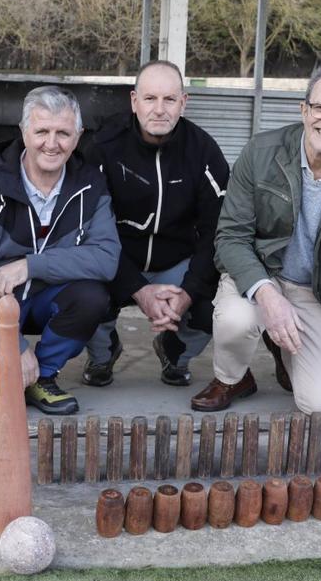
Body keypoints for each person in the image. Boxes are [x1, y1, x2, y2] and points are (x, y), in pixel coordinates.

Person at [191, 61, 321, 416]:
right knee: (237, 320)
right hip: (261, 274)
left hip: (316, 293)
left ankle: (283, 345)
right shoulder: (261, 153)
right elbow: (231, 237)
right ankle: (232, 377)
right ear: (304, 110)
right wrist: (267, 294)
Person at [0, 85, 120, 416]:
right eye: (42, 131)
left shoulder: (90, 184)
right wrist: (15, 347)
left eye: (63, 133)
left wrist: (31, 265)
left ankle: (44, 372)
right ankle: (19, 367)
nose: (52, 144)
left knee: (92, 296)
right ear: (24, 131)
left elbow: (106, 258)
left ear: (79, 135)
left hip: (47, 298)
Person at [82, 60, 229, 388]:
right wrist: (139, 289)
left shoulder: (204, 152)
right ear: (134, 101)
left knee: (216, 304)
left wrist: (188, 293)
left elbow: (215, 235)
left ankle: (174, 352)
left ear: (183, 103)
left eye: (169, 99)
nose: (159, 109)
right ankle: (104, 353)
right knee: (84, 294)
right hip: (116, 258)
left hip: (175, 264)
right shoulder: (104, 148)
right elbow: (90, 232)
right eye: (150, 99)